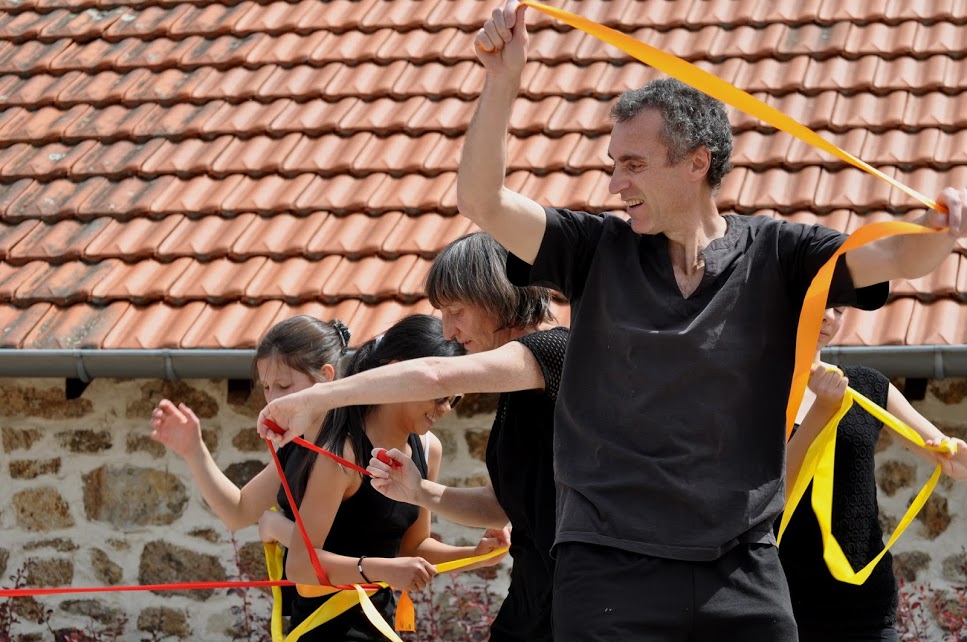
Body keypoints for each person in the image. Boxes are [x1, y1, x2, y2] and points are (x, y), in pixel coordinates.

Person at [457, 1, 967, 639]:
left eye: (633, 164)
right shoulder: (592, 249)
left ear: (697, 163)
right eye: (613, 163)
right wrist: (502, 79)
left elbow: (892, 256)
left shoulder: (781, 253)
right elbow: (482, 201)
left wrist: (940, 232)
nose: (614, 183)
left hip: (744, 568)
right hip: (608, 571)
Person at [259, 231, 566, 642]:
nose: (449, 331)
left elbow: (433, 374)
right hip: (533, 596)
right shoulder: (517, 389)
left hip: (574, 591)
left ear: (496, 296)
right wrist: (420, 494)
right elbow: (500, 506)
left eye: (455, 311)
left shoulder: (554, 352)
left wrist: (314, 399)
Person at [152, 314, 498, 640]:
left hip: (381, 624)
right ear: (400, 374)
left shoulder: (427, 448)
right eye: (268, 387)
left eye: (452, 399)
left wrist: (477, 553)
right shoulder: (336, 450)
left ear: (327, 378)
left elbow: (412, 547)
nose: (445, 408)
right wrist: (195, 452)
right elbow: (254, 523)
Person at [779, 306, 967, 642]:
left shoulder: (868, 385)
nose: (830, 317)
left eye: (840, 308)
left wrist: (956, 460)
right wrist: (822, 410)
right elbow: (774, 494)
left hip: (867, 609)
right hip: (783, 605)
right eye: (822, 303)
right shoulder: (755, 394)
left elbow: (942, 451)